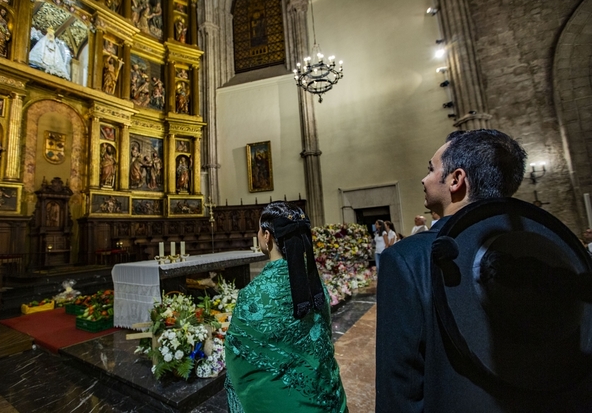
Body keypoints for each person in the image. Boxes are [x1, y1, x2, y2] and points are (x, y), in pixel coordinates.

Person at [376, 129, 536, 412]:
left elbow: (400, 383)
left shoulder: (408, 259)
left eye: (431, 169)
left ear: (456, 179)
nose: (424, 179)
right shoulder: (540, 250)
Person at [225, 201, 348, 412]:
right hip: (326, 398)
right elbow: (321, 339)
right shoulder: (316, 286)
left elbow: (237, 356)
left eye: (259, 230)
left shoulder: (253, 295)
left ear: (267, 235)